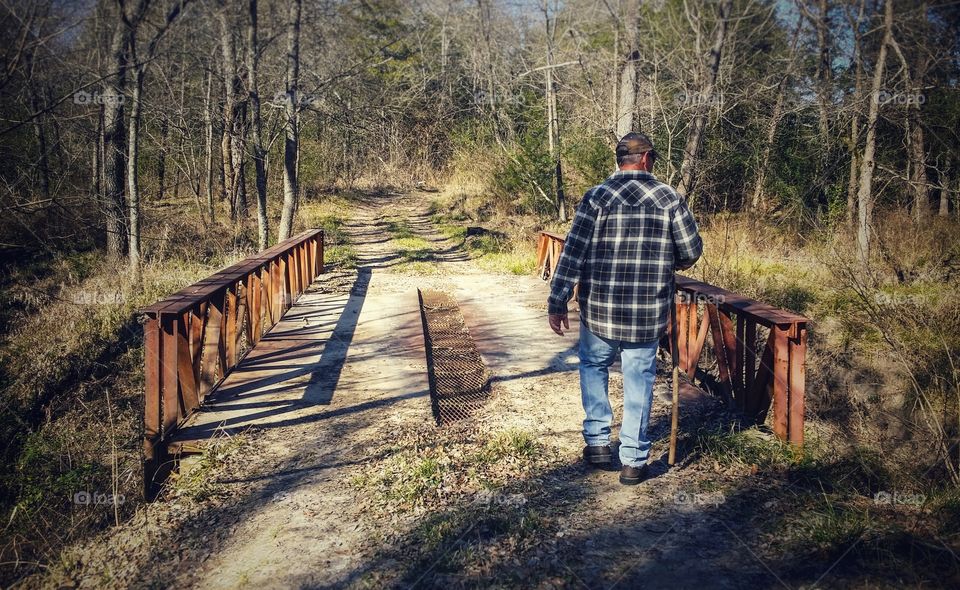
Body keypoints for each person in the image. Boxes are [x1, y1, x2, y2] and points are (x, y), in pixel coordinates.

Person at [547, 132, 703, 485]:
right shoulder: (668, 198)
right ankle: (633, 460)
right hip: (646, 312)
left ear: (620, 159)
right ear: (646, 158)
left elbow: (573, 253)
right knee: (638, 379)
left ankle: (599, 443)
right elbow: (691, 251)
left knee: (594, 366)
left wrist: (557, 300)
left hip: (600, 310)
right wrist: (666, 260)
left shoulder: (596, 197)